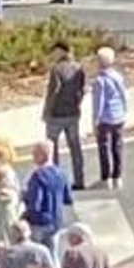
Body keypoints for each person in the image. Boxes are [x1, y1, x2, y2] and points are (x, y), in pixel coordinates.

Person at [41, 42, 87, 188]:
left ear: (61, 52)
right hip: (73, 113)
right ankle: (79, 179)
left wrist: (47, 111)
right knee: (75, 147)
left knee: (52, 147)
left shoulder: (56, 69)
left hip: (57, 114)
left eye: (55, 52)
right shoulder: (78, 68)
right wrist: (77, 105)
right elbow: (82, 90)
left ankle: (55, 181)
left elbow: (53, 92)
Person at [90, 46, 128, 190]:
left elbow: (98, 103)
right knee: (117, 146)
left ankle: (106, 178)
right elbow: (124, 95)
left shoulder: (101, 80)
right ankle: (117, 176)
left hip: (105, 118)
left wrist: (95, 120)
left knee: (104, 147)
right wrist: (124, 111)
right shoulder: (118, 76)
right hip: (118, 116)